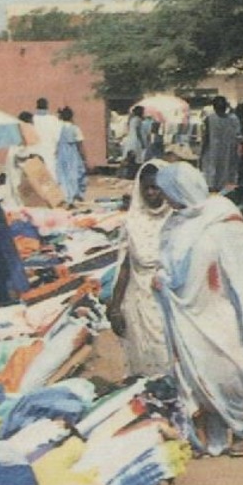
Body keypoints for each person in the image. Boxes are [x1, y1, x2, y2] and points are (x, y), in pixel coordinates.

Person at [152, 162, 243, 457]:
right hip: (186, 317)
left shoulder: (225, 222)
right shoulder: (175, 225)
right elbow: (168, 266)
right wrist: (162, 281)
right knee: (192, 377)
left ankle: (238, 430)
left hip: (221, 313)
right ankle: (203, 436)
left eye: (170, 193)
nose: (168, 201)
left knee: (228, 373)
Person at [106, 162, 173, 377]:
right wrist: (115, 306)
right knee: (142, 358)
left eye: (156, 187)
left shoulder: (177, 221)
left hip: (169, 301)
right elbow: (125, 265)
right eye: (147, 188)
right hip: (139, 300)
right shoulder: (133, 222)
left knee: (168, 357)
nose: (152, 193)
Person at [200, 96, 242, 191]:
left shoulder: (210, 119)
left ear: (214, 107)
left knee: (213, 170)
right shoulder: (234, 119)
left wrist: (202, 152)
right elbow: (238, 136)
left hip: (213, 150)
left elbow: (206, 137)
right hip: (229, 150)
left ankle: (214, 189)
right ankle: (225, 189)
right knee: (227, 170)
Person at [54, 106, 87, 205]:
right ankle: (73, 196)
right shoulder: (75, 128)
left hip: (61, 153)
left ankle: (66, 196)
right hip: (72, 153)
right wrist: (84, 157)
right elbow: (80, 144)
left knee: (62, 175)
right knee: (74, 174)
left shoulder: (58, 127)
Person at [31, 97, 62, 181]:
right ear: (47, 106)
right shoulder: (54, 120)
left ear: (37, 106)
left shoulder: (32, 119)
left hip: (35, 151)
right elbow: (58, 137)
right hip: (50, 151)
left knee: (37, 177)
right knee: (51, 176)